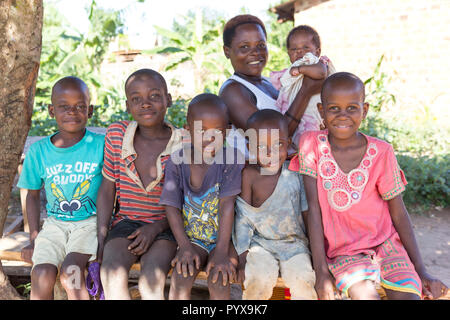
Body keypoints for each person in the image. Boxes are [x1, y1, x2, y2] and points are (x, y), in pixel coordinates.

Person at [290, 72, 449, 300]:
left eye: (352, 108)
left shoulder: (382, 152)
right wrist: (321, 271)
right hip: (343, 251)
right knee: (365, 295)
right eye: (334, 108)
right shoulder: (312, 144)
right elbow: (312, 209)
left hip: (387, 246)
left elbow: (399, 213)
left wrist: (421, 270)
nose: (343, 115)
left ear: (364, 110)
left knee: (408, 295)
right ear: (321, 111)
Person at [96, 69, 183, 300]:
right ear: (127, 105)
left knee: (150, 283)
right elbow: (107, 189)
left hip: (168, 226)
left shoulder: (183, 143)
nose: (145, 104)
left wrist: (155, 228)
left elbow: (188, 202)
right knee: (111, 274)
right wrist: (101, 237)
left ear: (168, 99)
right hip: (126, 224)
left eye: (154, 96)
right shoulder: (117, 134)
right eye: (136, 99)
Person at [18, 76, 104, 300]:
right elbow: (32, 196)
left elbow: (111, 190)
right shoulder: (39, 152)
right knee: (42, 273)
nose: (72, 112)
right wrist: (33, 237)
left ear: (90, 110)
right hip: (54, 226)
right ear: (51, 110)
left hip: (89, 224)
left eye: (80, 106)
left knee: (72, 273)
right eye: (64, 106)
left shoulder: (100, 145)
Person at [159, 93, 244, 300]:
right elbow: (171, 207)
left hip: (225, 241)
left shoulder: (230, 160)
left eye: (217, 132)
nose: (209, 138)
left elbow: (227, 206)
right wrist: (185, 247)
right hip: (193, 240)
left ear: (228, 131)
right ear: (188, 130)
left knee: (220, 279)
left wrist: (222, 251)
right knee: (181, 277)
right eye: (202, 131)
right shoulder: (177, 161)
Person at [233, 109, 317, 300]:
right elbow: (243, 218)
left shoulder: (296, 173)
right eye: (262, 146)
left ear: (288, 144)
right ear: (250, 147)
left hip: (295, 244)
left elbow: (307, 213)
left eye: (278, 144)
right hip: (260, 244)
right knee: (258, 281)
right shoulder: (249, 176)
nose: (270, 153)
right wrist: (242, 256)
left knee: (303, 280)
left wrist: (317, 253)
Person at [219, 15, 324, 159]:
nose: (255, 52)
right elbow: (272, 141)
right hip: (263, 177)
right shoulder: (232, 91)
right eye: (244, 47)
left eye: (261, 45)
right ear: (226, 51)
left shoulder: (270, 83)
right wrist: (305, 92)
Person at [270, 25, 336, 153]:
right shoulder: (289, 74)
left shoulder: (315, 63)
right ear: (289, 53)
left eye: (306, 48)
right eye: (294, 49)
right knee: (302, 146)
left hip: (314, 117)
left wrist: (301, 70)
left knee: (317, 143)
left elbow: (321, 73)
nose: (300, 52)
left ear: (317, 51)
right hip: (298, 120)